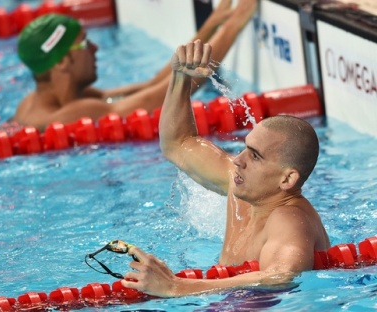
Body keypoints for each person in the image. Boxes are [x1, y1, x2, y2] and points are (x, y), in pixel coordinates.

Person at [120, 39, 331, 297]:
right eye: (245, 147)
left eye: (255, 156)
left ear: (287, 179)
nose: (238, 160)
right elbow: (177, 145)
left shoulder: (289, 220)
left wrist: (178, 286)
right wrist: (179, 78)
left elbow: (281, 276)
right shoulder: (242, 183)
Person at [11, 0, 257, 131]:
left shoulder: (46, 101)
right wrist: (237, 22)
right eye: (84, 43)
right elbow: (166, 96)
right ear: (63, 61)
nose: (95, 48)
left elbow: (153, 86)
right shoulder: (69, 116)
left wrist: (212, 24)